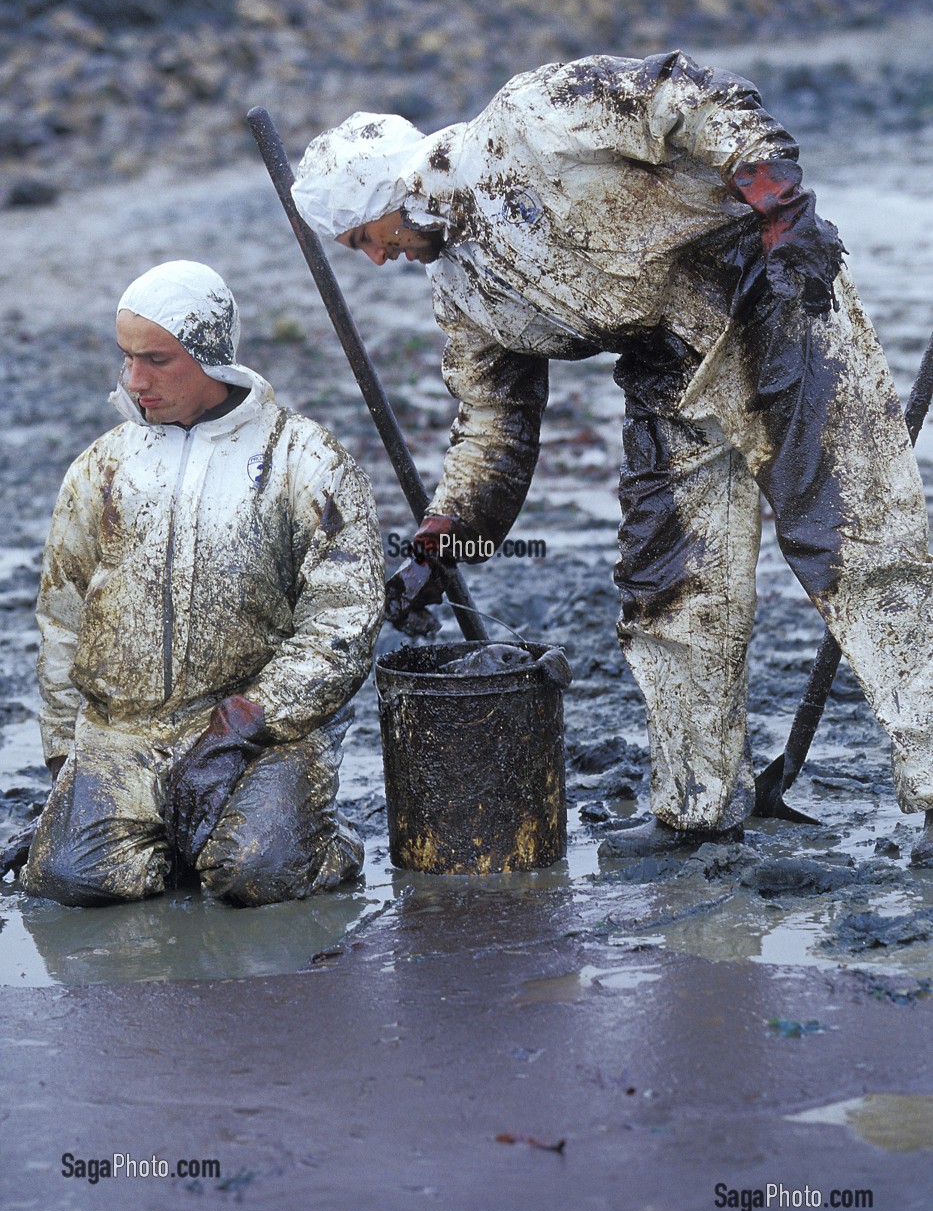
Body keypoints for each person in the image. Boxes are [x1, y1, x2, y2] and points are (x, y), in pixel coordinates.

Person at [290, 51, 933, 866]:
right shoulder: (461, 292)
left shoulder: (532, 120)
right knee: (670, 593)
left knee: (861, 554)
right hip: (667, 379)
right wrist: (438, 548)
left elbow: (693, 97)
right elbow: (494, 425)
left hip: (773, 304)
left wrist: (777, 202)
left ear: (394, 195)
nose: (376, 258)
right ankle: (698, 807)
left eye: (365, 238)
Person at [23, 260, 385, 906]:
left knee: (256, 874)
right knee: (66, 879)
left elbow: (344, 620)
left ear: (211, 356)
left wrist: (242, 723)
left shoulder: (301, 460)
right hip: (123, 736)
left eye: (157, 359)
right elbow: (60, 614)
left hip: (258, 740)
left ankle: (321, 838)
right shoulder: (101, 468)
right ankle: (171, 837)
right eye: (127, 357)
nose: (135, 381)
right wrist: (62, 760)